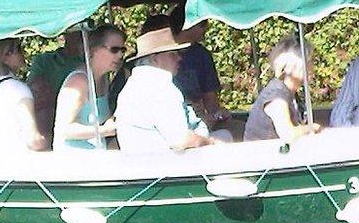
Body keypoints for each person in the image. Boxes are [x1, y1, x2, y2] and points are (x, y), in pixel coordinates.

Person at [116, 27, 218, 153]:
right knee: (225, 138)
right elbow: (180, 140)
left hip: (140, 165)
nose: (179, 58)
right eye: (172, 54)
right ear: (155, 59)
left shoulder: (133, 85)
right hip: (166, 166)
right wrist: (209, 142)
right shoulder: (160, 87)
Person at [53, 23, 125, 151]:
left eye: (122, 50)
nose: (120, 55)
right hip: (74, 162)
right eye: (114, 49)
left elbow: (105, 121)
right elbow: (63, 129)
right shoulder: (79, 81)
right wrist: (104, 130)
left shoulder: (104, 79)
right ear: (94, 50)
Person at [243, 37, 323, 143]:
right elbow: (288, 134)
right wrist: (311, 128)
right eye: (309, 62)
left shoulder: (291, 93)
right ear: (290, 67)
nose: (312, 66)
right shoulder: (276, 95)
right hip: (261, 156)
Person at [171, 9, 226, 128]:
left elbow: (210, 99)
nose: (207, 27)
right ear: (188, 25)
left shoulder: (201, 55)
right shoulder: (158, 56)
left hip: (198, 122)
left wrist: (216, 116)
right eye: (202, 23)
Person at [28, 29, 86, 134]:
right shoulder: (43, 61)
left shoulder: (89, 63)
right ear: (66, 34)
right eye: (75, 33)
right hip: (49, 114)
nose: (79, 37)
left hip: (81, 115)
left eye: (82, 34)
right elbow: (37, 90)